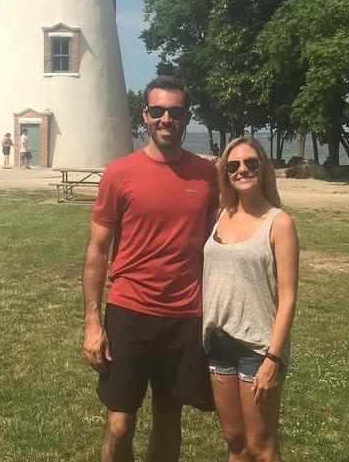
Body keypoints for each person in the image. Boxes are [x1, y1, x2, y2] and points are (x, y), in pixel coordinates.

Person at [83, 76, 219, 462]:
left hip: (184, 316)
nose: (166, 119)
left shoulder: (206, 175)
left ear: (186, 117)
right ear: (145, 115)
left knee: (168, 418)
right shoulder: (119, 173)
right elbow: (97, 250)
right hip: (130, 312)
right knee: (119, 425)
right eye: (157, 110)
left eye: (175, 112)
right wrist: (93, 322)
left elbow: (221, 239)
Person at [203, 137, 299, 462]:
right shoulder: (220, 215)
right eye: (233, 165)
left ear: (263, 168)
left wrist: (273, 358)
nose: (242, 170)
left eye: (251, 163)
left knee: (261, 445)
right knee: (234, 440)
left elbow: (288, 296)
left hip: (259, 348)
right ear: (226, 172)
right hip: (218, 341)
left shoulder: (279, 222)